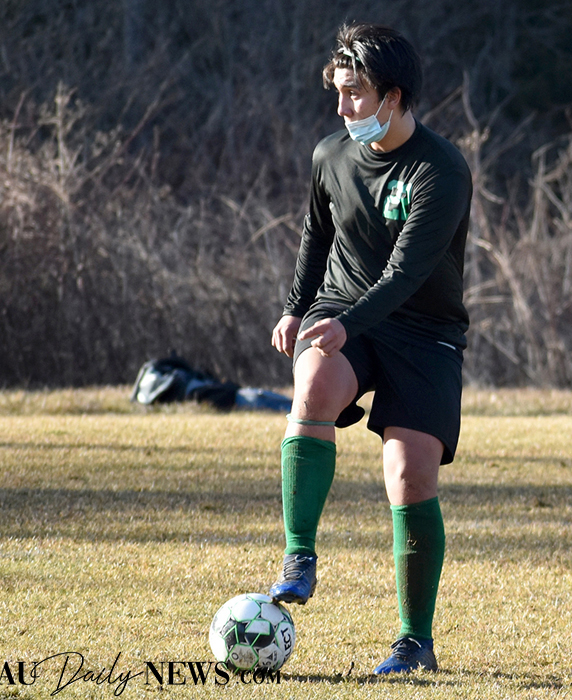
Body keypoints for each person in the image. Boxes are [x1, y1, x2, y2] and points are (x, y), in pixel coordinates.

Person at [268, 21, 472, 675]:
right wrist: (297, 307)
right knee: (313, 386)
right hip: (343, 309)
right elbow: (315, 235)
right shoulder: (330, 156)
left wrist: (347, 323)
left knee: (410, 476)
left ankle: (416, 643)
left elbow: (406, 274)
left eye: (354, 92)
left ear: (393, 96)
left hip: (424, 332)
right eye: (337, 91)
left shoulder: (441, 170)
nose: (341, 106)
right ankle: (299, 554)